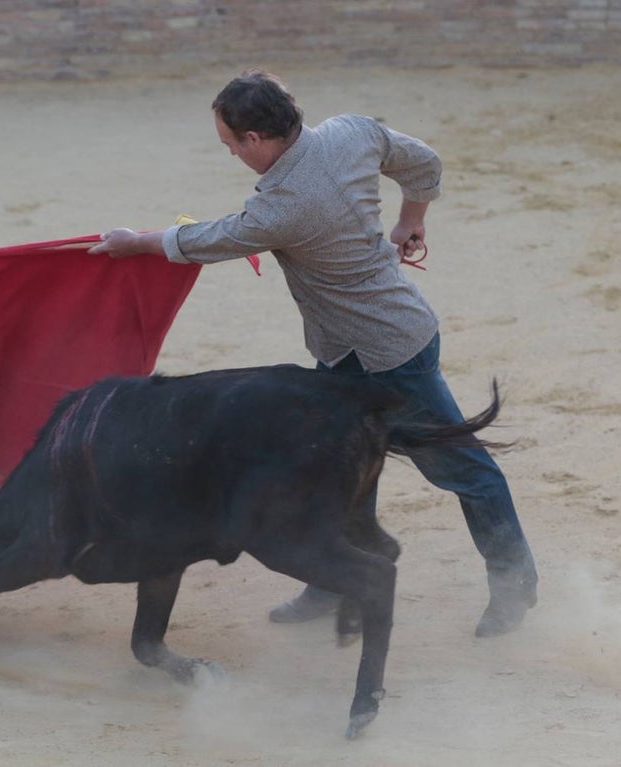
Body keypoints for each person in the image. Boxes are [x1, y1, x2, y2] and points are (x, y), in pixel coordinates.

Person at [88, 70, 537, 637]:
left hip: (392, 353)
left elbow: (210, 239)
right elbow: (423, 164)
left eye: (231, 144)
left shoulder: (284, 207)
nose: (231, 154)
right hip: (344, 348)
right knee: (342, 468)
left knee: (463, 469)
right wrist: (411, 219)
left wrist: (137, 242)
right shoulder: (352, 131)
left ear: (256, 138)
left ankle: (515, 582)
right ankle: (335, 580)